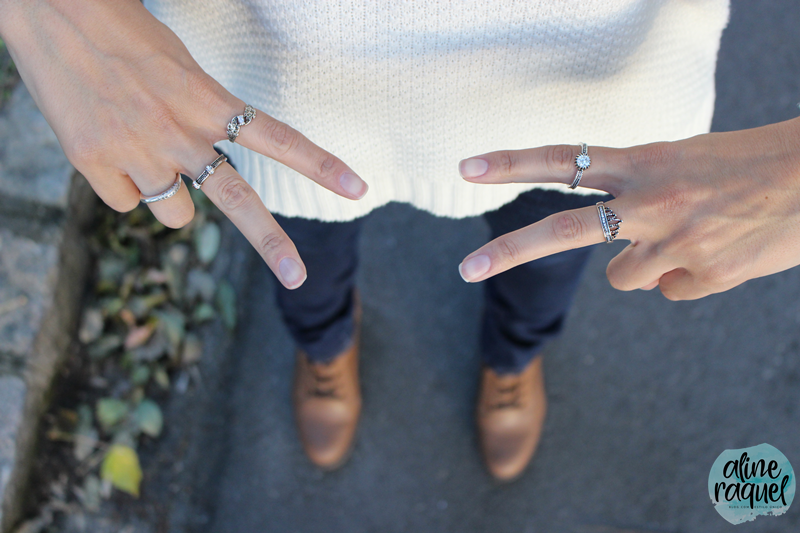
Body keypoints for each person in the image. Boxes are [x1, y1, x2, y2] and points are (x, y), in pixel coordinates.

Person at [4, 0, 798, 481]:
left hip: (595, 69)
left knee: (542, 264)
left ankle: (513, 359)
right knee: (297, 254)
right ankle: (324, 344)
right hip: (277, 60)